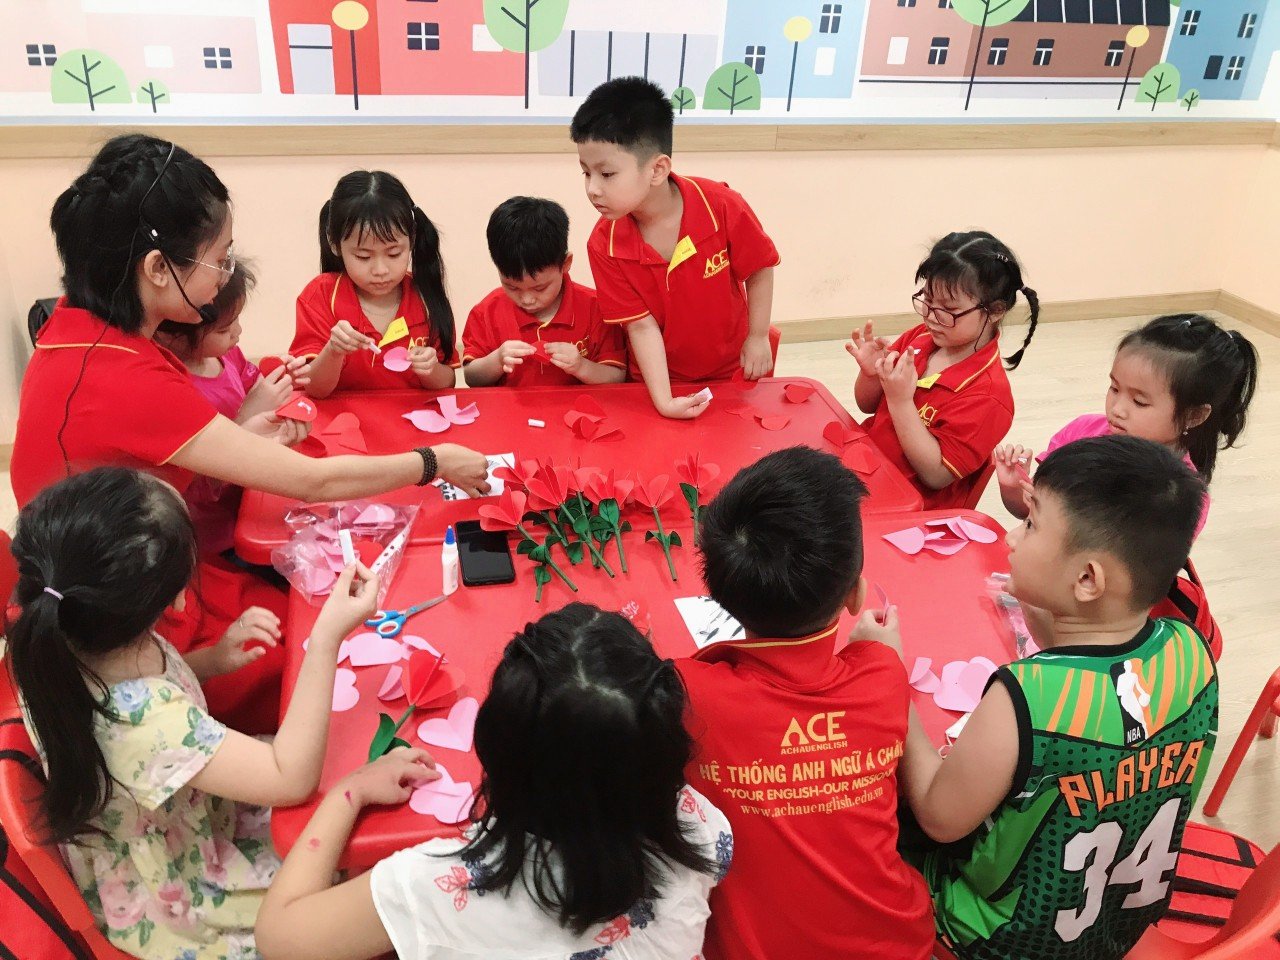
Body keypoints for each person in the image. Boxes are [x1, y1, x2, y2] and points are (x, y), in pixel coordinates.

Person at [11, 135, 487, 728]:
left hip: (148, 573)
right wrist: (434, 461)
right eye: (221, 258)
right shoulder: (123, 378)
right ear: (157, 269)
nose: (226, 276)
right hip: (124, 620)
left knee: (321, 609)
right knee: (335, 653)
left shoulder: (82, 324)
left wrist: (238, 433)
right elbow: (312, 482)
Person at [5, 467, 381, 960]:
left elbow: (152, 702)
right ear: (177, 597)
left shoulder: (74, 637)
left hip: (182, 816)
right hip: (188, 886)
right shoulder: (144, 722)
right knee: (350, 883)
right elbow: (291, 778)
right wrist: (326, 637)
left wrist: (212, 661)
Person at [884, 436, 1217, 960]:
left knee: (875, 815)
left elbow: (938, 817)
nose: (1012, 537)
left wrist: (890, 678)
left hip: (1005, 940)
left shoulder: (1025, 696)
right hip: (1119, 926)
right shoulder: (1192, 652)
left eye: (1032, 524)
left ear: (1087, 578)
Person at [255, 603, 733, 960]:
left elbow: (279, 935)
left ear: (496, 751)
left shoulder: (439, 886)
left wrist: (351, 790)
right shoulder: (705, 830)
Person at [678, 447, 934, 960]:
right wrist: (879, 656)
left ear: (719, 595)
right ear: (856, 595)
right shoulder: (883, 674)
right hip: (901, 945)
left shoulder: (687, 694)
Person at [572, 77, 779, 419]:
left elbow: (759, 270)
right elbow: (641, 327)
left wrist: (757, 337)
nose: (592, 189)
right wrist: (665, 401)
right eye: (585, 173)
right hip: (657, 379)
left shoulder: (721, 205)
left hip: (731, 368)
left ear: (657, 169)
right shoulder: (603, 244)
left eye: (606, 174)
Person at [995, 313, 1259, 538]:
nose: (1117, 409)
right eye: (1114, 388)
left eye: (1139, 401)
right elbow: (1031, 516)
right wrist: (1013, 488)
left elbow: (1131, 572)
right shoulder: (1082, 432)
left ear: (1194, 415)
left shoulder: (1180, 496)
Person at [850, 230, 1039, 509]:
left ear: (996, 310)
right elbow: (866, 406)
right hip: (868, 468)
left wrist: (901, 402)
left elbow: (935, 475)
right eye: (927, 300)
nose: (931, 316)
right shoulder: (920, 338)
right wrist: (870, 375)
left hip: (911, 506)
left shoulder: (989, 396)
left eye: (948, 309)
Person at [154, 261, 297, 558]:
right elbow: (196, 483)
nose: (238, 333)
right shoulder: (174, 389)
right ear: (171, 336)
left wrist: (281, 376)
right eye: (224, 329)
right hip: (217, 538)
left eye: (237, 321)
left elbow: (251, 381)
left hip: (253, 496)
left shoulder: (225, 354)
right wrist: (246, 416)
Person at [292, 170, 458, 395]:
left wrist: (430, 369)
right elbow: (315, 390)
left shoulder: (425, 295)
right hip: (341, 416)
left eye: (394, 254)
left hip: (411, 415)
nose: (380, 270)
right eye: (363, 256)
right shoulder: (320, 296)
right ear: (334, 244)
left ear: (412, 240)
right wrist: (333, 351)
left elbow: (447, 382)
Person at [462, 196, 626, 387]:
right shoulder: (486, 312)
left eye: (539, 288)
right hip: (512, 406)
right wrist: (497, 360)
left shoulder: (597, 309)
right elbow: (471, 378)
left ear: (565, 264)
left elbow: (617, 377)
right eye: (512, 287)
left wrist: (581, 366)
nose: (527, 299)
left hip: (580, 406)